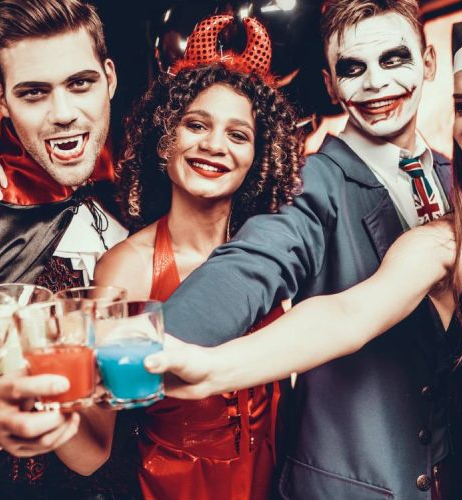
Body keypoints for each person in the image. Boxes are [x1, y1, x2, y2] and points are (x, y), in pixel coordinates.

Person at [146, 15, 462, 499]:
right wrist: (149, 345)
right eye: (354, 68)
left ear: (428, 62)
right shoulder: (312, 181)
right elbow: (253, 265)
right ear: (331, 86)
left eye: (393, 60)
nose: (376, 83)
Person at [0, 1, 134, 498]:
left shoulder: (137, 196)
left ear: (109, 79)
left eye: (80, 84)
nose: (63, 114)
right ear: (3, 101)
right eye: (34, 93)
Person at [84, 14, 303, 499]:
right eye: (196, 124)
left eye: (238, 134)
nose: (214, 145)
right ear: (165, 138)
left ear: (259, 156)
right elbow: (92, 446)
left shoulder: (273, 254)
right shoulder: (129, 266)